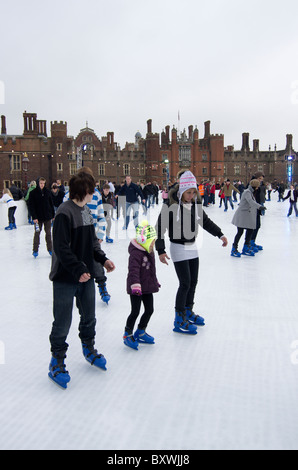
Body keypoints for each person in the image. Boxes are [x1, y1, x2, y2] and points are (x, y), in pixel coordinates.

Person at [48, 170, 115, 389]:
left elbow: (92, 242)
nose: (94, 192)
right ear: (84, 190)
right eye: (92, 189)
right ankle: (56, 360)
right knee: (62, 322)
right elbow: (61, 248)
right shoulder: (63, 213)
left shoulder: (86, 211)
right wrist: (78, 269)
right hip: (66, 277)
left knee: (89, 316)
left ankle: (89, 348)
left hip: (85, 276)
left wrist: (103, 260)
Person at [155, 171, 228, 335]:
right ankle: (179, 318)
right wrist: (160, 250)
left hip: (192, 246)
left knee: (193, 281)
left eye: (194, 192)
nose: (192, 195)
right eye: (189, 192)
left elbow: (206, 221)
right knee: (185, 283)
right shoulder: (170, 205)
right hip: (178, 247)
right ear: (181, 191)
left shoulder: (195, 205)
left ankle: (188, 311)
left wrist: (220, 234)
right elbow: (159, 227)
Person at [123, 220, 160, 350]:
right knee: (135, 311)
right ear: (145, 240)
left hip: (147, 285)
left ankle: (140, 331)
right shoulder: (136, 253)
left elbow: (151, 269)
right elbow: (133, 271)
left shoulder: (148, 251)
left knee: (150, 309)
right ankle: (128, 334)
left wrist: (154, 281)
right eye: (152, 242)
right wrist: (136, 286)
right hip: (136, 288)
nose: (153, 245)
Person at [230, 179, 266, 257]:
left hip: (247, 216)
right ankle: (234, 249)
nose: (258, 188)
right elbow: (250, 202)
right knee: (240, 232)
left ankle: (246, 247)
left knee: (250, 230)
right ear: (255, 186)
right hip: (242, 216)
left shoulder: (250, 192)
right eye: (257, 186)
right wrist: (259, 207)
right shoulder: (247, 192)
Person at [28, 177, 55, 258]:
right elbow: (31, 206)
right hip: (38, 218)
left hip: (47, 216)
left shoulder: (48, 192)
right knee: (37, 234)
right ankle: (35, 250)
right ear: (38, 183)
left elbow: (51, 204)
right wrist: (34, 217)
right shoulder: (33, 193)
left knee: (48, 234)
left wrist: (52, 215)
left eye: (43, 183)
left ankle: (50, 249)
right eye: (41, 183)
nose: (42, 185)